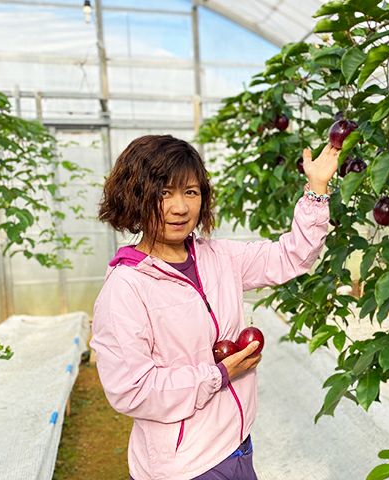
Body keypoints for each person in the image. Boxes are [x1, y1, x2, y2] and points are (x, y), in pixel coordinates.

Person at [90, 134, 339, 480]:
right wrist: (218, 375)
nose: (180, 207)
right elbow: (132, 390)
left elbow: (291, 256)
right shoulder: (126, 288)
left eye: (191, 192)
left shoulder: (220, 257)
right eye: (164, 193)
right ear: (135, 197)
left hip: (236, 445)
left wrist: (316, 190)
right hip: (185, 467)